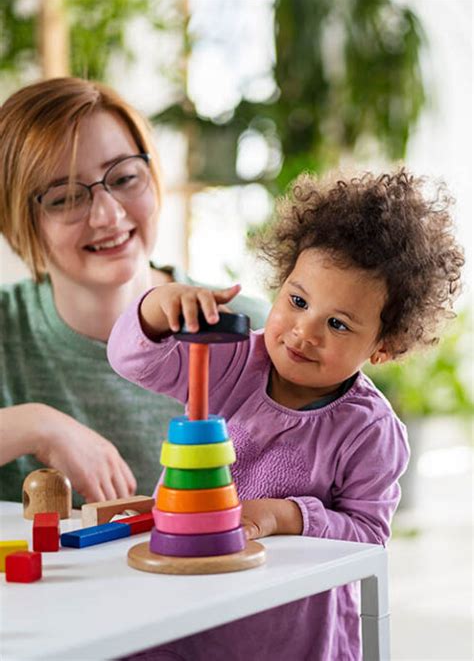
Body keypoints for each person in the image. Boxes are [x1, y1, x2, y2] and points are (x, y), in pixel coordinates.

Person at [108, 168, 464, 660]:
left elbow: (368, 538)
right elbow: (131, 359)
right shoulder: (232, 360)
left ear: (382, 347)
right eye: (297, 301)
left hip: (290, 634)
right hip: (184, 609)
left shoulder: (370, 430)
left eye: (337, 324)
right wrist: (155, 309)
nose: (303, 332)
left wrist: (285, 516)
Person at [0, 77, 269, 506]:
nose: (108, 214)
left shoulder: (250, 331)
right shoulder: (6, 332)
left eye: (124, 177)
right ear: (17, 222)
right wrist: (36, 426)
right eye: (66, 197)